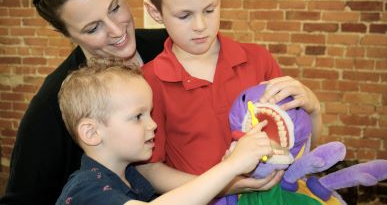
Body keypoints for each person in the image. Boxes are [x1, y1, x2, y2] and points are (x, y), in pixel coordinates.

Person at [0, 0, 282, 205]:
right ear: (67, 34)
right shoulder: (49, 108)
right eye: (93, 27)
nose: (116, 30)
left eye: (115, 7)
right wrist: (227, 179)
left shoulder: (173, 45)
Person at [138, 0, 322, 203]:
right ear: (156, 12)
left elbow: (302, 147)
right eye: (184, 15)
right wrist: (226, 184)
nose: (200, 25)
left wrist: (314, 109)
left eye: (209, 10)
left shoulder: (258, 60)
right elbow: (149, 170)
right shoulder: (149, 82)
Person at [55, 60, 273, 205]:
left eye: (150, 113)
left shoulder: (131, 177)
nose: (153, 125)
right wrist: (230, 167)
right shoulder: (85, 190)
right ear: (91, 132)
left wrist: (231, 176)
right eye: (138, 116)